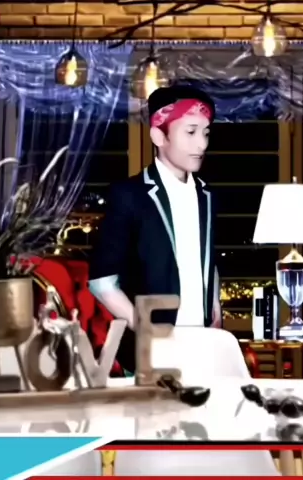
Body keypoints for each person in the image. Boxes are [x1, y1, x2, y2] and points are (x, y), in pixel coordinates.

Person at [88, 85, 221, 374]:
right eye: (190, 132)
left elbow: (206, 258)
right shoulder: (129, 195)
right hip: (149, 351)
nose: (202, 144)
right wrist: (148, 329)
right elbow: (101, 282)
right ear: (159, 136)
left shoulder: (206, 195)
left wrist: (215, 311)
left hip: (202, 345)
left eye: (206, 133)